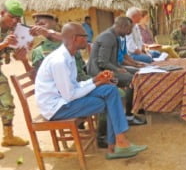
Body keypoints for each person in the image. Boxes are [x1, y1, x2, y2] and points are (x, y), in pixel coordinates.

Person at [35, 22, 147, 159]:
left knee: (110, 90)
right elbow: (70, 95)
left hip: (64, 100)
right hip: (57, 108)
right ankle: (116, 145)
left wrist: (95, 80)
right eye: (84, 36)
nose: (87, 40)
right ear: (75, 38)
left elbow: (74, 86)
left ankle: (119, 142)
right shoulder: (59, 61)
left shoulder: (68, 56)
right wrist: (97, 83)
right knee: (106, 101)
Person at [87, 16, 146, 126]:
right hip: (99, 73)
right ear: (123, 26)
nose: (129, 32)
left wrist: (131, 65)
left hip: (108, 69)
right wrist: (118, 69)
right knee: (130, 79)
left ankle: (136, 106)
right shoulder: (108, 37)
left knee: (137, 72)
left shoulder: (115, 37)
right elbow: (102, 62)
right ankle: (128, 116)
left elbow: (113, 60)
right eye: (129, 29)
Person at [0, 0, 29, 159]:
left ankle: (8, 136)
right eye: (12, 17)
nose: (15, 21)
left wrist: (21, 54)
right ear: (2, 13)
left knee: (7, 102)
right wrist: (3, 44)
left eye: (18, 19)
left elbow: (10, 53)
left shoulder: (12, 31)